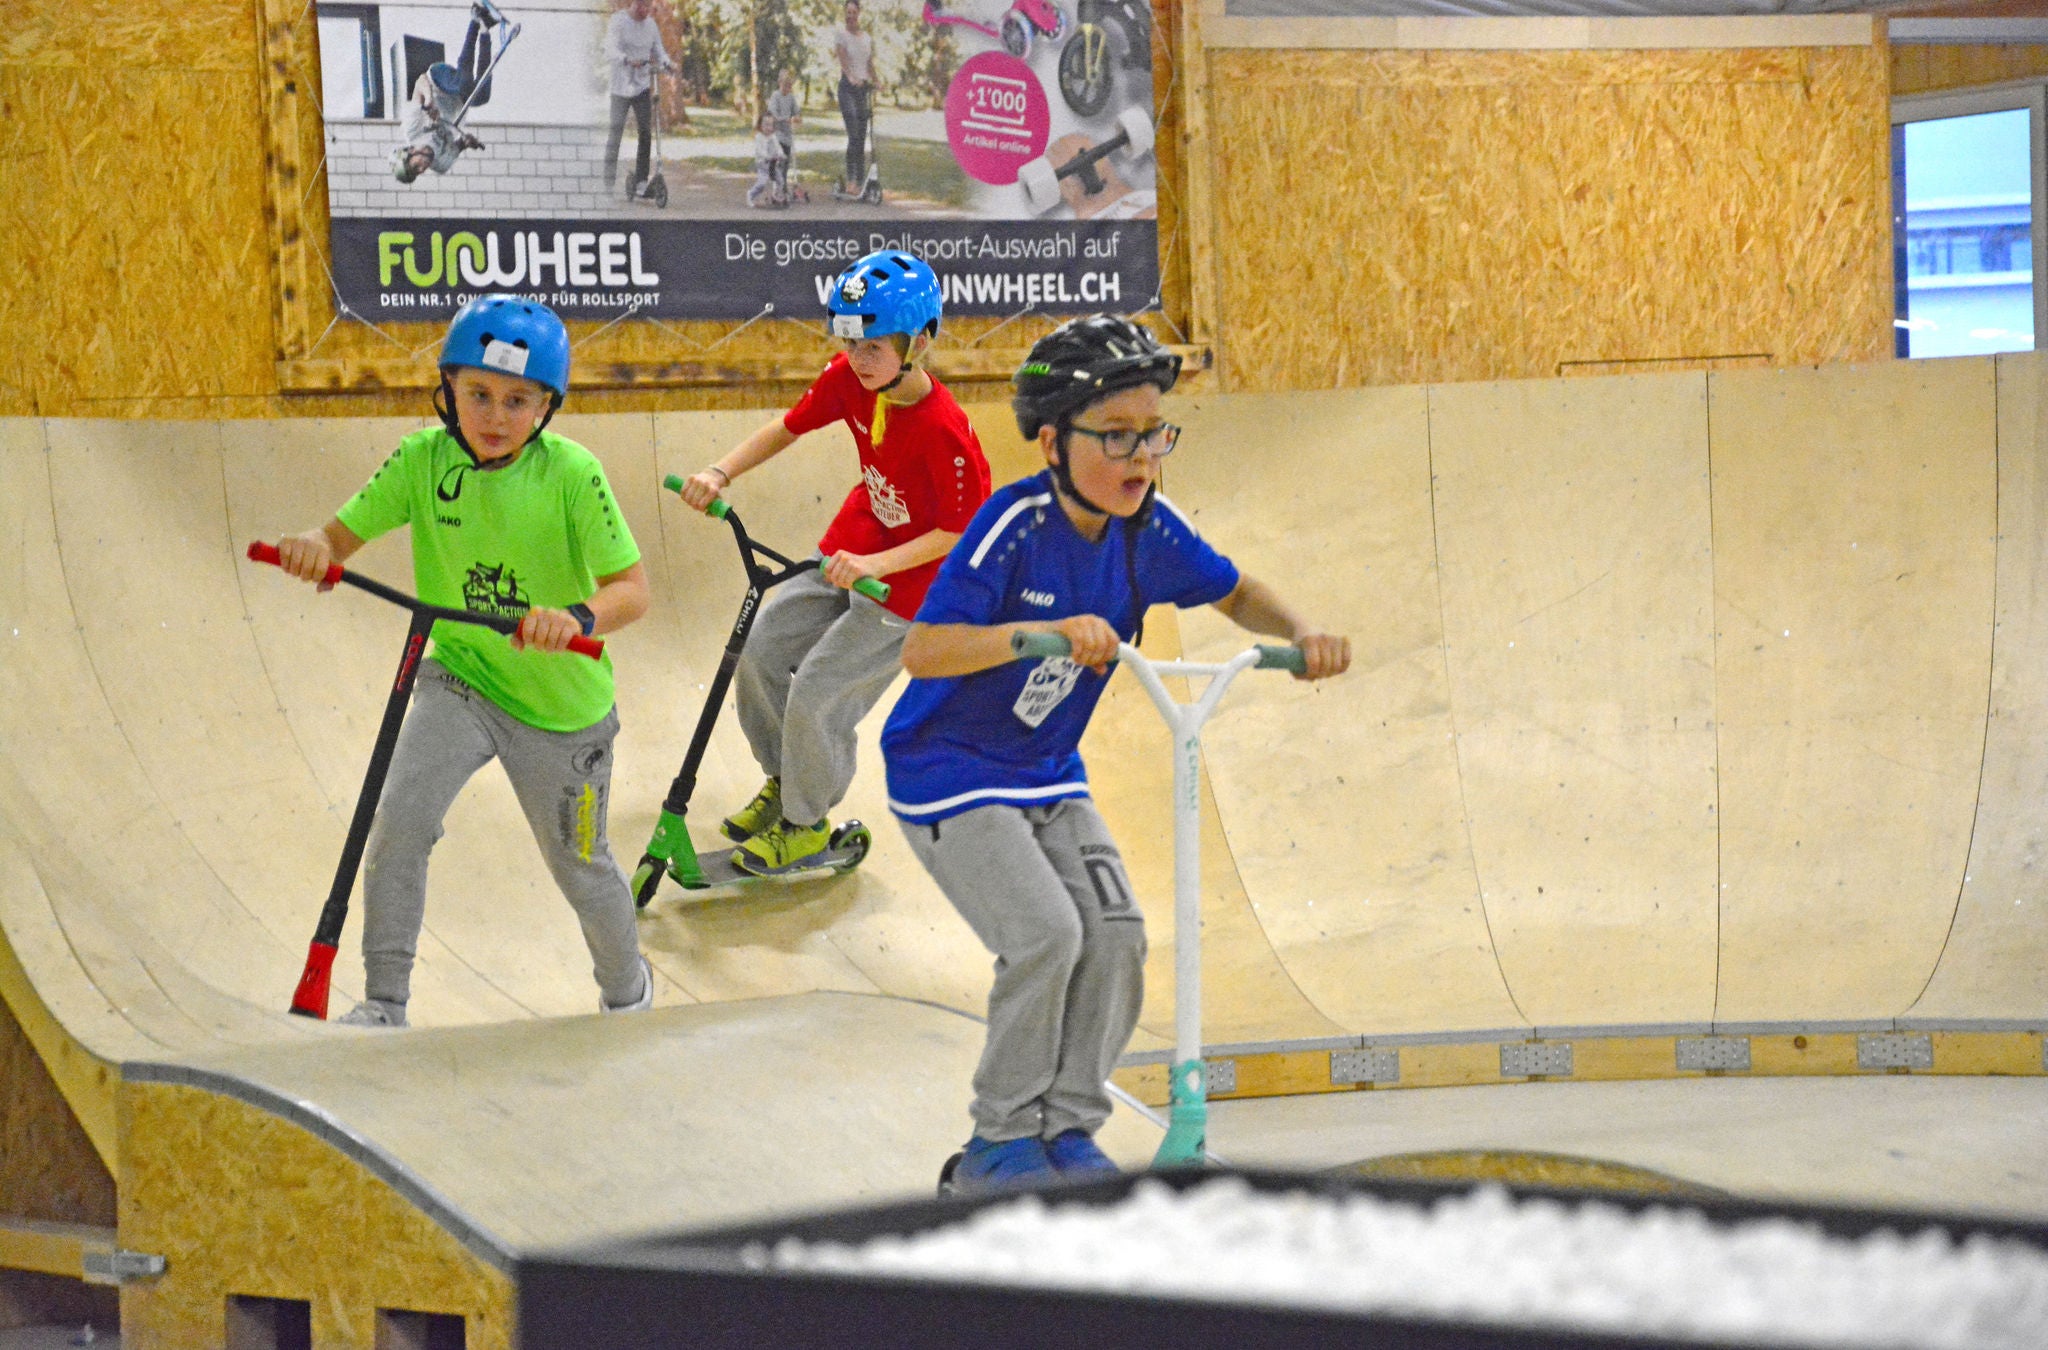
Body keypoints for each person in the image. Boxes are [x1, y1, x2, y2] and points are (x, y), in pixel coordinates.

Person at [879, 315, 1351, 1190]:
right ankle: (998, 1143)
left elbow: (1236, 590)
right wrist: (1039, 633)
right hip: (947, 770)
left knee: (1118, 934)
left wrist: (1301, 630)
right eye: (1119, 437)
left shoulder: (1149, 532)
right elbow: (924, 649)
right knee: (1047, 936)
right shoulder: (1011, 525)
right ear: (1054, 441)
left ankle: (1067, 1129)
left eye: (1154, 435)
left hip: (1047, 771)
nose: (1142, 458)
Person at [269, 296, 654, 1028]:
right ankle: (385, 1003)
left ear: (546, 405)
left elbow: (633, 592)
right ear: (447, 388)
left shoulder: (573, 474)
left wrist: (573, 618)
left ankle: (629, 993)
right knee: (400, 823)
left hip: (561, 710)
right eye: (478, 393)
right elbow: (334, 544)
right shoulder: (422, 460)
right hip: (464, 680)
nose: (495, 415)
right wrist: (312, 549)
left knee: (582, 867)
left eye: (517, 400)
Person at [675, 251, 991, 875]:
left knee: (819, 689)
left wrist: (876, 560)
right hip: (853, 547)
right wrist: (720, 470)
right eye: (849, 341)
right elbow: (788, 427)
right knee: (761, 652)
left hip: (911, 590)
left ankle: (806, 823)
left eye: (873, 345)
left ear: (920, 341)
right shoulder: (851, 380)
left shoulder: (946, 431)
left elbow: (959, 532)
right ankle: (786, 780)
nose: (858, 358)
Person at [391, 1, 507, 184]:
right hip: (458, 100)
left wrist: (429, 101)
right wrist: (468, 143)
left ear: (410, 153)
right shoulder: (441, 164)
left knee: (463, 84)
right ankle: (486, 29)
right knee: (481, 96)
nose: (423, 168)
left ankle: (475, 20)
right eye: (420, 172)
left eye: (416, 166)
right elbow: (457, 146)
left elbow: (421, 80)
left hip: (437, 79)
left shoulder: (412, 130)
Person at [603, 0, 676, 198]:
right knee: (615, 132)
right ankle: (608, 182)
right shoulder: (618, 21)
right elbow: (609, 48)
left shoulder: (651, 25)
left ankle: (641, 181)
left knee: (645, 131)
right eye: (644, 6)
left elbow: (658, 49)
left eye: (649, 7)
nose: (647, 11)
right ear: (634, 4)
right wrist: (626, 59)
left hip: (642, 86)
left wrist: (668, 64)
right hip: (620, 87)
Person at [830, 0, 874, 197]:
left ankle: (861, 180)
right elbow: (842, 58)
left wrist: (877, 81)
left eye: (853, 12)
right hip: (847, 89)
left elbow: (869, 63)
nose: (850, 15)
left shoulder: (866, 38)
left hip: (863, 90)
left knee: (862, 137)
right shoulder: (841, 35)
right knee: (854, 134)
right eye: (847, 12)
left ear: (859, 14)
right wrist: (850, 76)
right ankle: (851, 180)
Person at [746, 110, 787, 208]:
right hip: (763, 164)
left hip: (773, 163)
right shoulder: (759, 137)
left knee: (780, 180)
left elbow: (778, 147)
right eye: (765, 125)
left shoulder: (773, 137)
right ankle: (750, 194)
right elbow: (759, 151)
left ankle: (776, 195)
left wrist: (781, 154)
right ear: (760, 125)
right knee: (762, 183)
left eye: (770, 125)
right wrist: (767, 156)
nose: (768, 128)